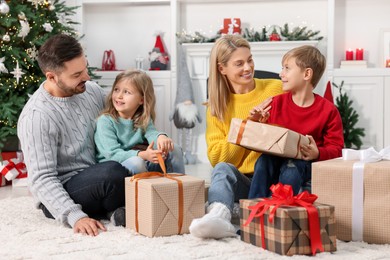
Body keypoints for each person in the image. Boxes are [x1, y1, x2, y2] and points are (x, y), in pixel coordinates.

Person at [17, 34, 129, 236]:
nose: (86, 76)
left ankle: (115, 209)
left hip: (95, 175)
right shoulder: (37, 116)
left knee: (141, 163)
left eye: (85, 68)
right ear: (52, 77)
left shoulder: (91, 91)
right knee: (113, 173)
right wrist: (75, 215)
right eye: (77, 75)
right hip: (64, 189)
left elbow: (115, 125)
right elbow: (42, 179)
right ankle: (115, 208)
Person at [189, 35, 283, 239]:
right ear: (222, 68)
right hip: (245, 184)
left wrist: (244, 133)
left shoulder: (275, 89)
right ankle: (219, 216)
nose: (248, 67)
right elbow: (218, 159)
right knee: (223, 170)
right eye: (239, 63)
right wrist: (248, 127)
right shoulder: (216, 108)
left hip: (274, 178)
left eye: (250, 60)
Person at [248, 45, 344, 198]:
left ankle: (282, 211)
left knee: (291, 167)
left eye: (287, 68)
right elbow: (264, 142)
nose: (281, 74)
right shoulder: (275, 103)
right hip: (275, 159)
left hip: (305, 164)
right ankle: (254, 209)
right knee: (263, 161)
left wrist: (318, 153)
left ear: (307, 74)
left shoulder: (329, 111)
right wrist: (256, 122)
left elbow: (337, 149)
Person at [94, 69, 185, 174]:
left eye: (126, 92)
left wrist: (161, 137)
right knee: (137, 162)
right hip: (113, 168)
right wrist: (141, 155)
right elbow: (112, 154)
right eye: (116, 90)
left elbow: (152, 134)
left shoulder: (142, 119)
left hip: (141, 161)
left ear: (141, 100)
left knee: (174, 149)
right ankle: (142, 189)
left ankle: (178, 186)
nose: (119, 96)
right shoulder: (105, 121)